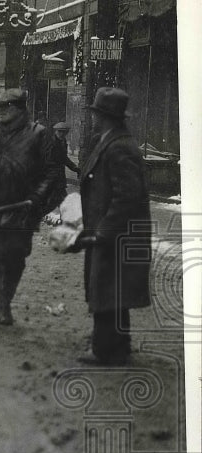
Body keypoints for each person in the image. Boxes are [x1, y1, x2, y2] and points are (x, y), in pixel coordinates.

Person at [0, 88, 59, 332]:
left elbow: (51, 172)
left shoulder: (38, 134)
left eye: (7, 106)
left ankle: (5, 303)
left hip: (21, 211)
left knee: (15, 261)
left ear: (21, 108)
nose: (1, 111)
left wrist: (37, 198)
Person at [72, 87, 152, 366]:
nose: (93, 118)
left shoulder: (118, 147)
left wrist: (103, 232)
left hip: (117, 234)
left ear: (105, 117)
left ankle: (106, 350)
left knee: (108, 289)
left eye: (95, 113)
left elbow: (126, 196)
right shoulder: (112, 141)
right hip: (115, 232)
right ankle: (118, 345)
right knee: (113, 289)